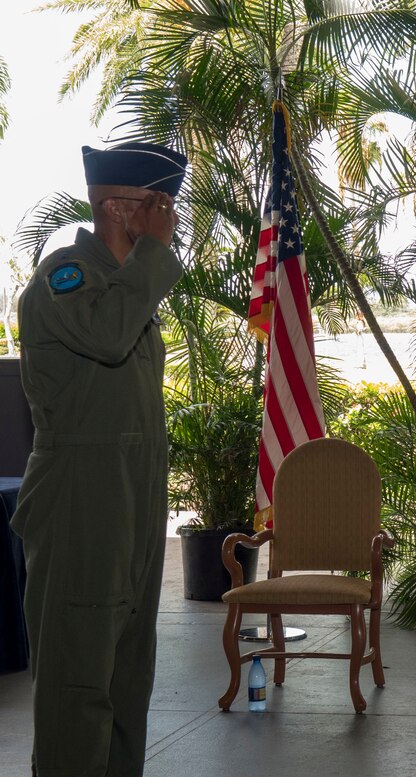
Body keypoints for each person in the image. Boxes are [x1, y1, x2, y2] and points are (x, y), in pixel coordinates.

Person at [12, 141, 186, 776]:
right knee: (78, 679)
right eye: (157, 203)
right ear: (116, 207)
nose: (169, 217)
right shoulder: (66, 276)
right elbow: (109, 338)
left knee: (127, 677)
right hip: (80, 499)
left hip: (133, 495)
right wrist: (153, 254)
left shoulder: (126, 288)